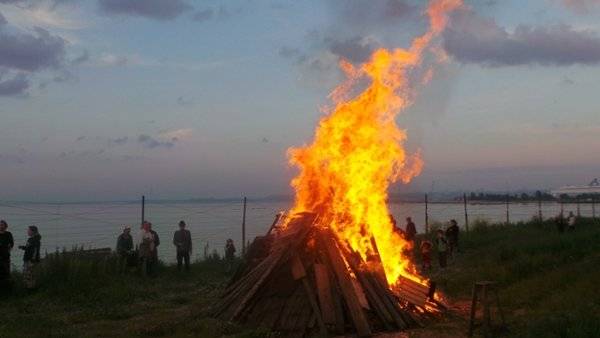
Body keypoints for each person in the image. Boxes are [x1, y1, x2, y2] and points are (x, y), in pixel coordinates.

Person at [18, 226, 41, 290]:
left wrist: (32, 260)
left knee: (30, 275)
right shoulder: (30, 239)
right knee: (27, 274)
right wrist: (22, 247)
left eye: (29, 230)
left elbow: (35, 250)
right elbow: (27, 247)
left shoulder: (36, 240)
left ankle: (30, 289)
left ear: (33, 231)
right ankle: (28, 288)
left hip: (30, 260)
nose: (27, 231)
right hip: (27, 259)